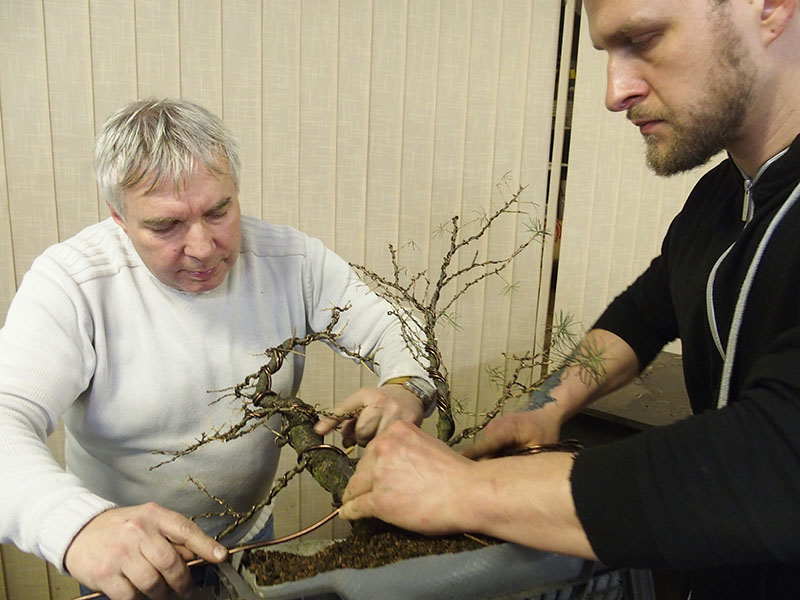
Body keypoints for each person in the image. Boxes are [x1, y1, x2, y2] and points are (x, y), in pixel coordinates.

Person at [339, 0, 800, 597]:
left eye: (644, 39)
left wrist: (461, 489)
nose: (614, 92)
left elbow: (773, 460)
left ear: (770, 8)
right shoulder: (720, 196)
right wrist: (547, 405)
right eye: (608, 53)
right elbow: (646, 312)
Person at [0, 98, 436, 600]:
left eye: (218, 211)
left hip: (251, 540)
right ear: (118, 217)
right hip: (128, 560)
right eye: (166, 226)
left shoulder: (290, 261)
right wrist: (76, 526)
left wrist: (407, 386)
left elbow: (395, 330)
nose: (204, 247)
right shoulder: (73, 284)